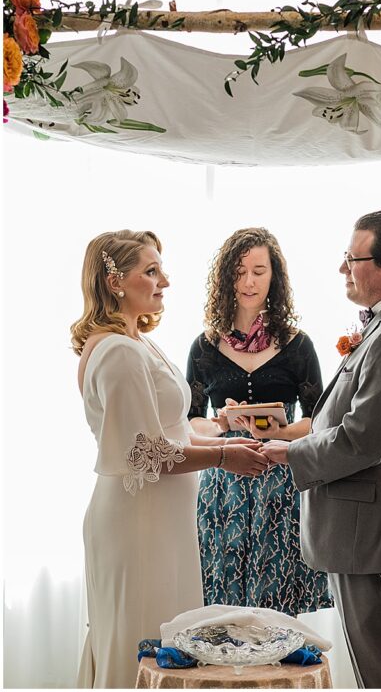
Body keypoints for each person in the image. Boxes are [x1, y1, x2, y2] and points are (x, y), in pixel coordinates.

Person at [262, 210, 381, 689]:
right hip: (371, 536)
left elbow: (363, 438)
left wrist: (291, 452)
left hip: (379, 538)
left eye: (353, 259)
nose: (343, 269)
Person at [72, 230, 268, 688]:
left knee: (167, 641)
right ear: (114, 280)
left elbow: (164, 430)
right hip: (139, 525)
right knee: (143, 642)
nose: (165, 280)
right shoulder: (118, 350)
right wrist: (223, 456)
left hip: (159, 521)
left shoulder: (134, 340)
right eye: (151, 270)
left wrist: (219, 429)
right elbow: (144, 453)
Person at [186, 228, 332, 616]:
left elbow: (319, 421)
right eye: (239, 271)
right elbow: (189, 422)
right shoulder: (203, 347)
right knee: (222, 605)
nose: (249, 281)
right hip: (223, 484)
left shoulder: (298, 345)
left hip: (281, 483)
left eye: (259, 270)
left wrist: (281, 431)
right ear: (225, 278)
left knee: (278, 607)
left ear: (274, 277)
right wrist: (220, 425)